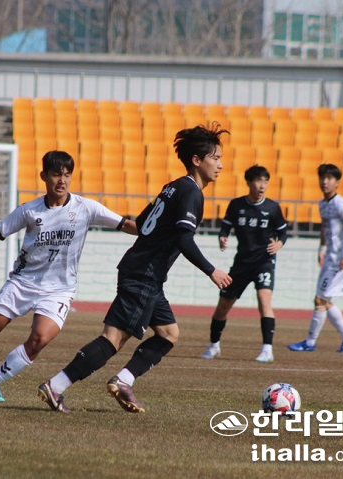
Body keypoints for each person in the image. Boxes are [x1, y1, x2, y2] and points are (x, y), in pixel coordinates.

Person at [38, 125, 233, 414]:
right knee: (113, 339)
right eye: (215, 158)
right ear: (196, 160)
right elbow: (183, 238)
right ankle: (56, 386)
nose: (220, 164)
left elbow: (142, 222)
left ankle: (124, 380)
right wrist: (211, 270)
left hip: (146, 273)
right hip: (145, 273)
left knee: (169, 333)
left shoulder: (172, 187)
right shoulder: (191, 192)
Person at [0, 150, 137, 402]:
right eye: (56, 174)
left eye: (67, 175)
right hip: (23, 282)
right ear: (43, 176)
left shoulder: (86, 208)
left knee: (39, 339)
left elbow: (125, 224)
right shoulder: (30, 210)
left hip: (59, 290)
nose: (62, 181)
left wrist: (155, 232)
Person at [200, 165, 287, 363]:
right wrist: (222, 237)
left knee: (264, 300)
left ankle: (267, 350)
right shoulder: (236, 205)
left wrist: (279, 244)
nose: (262, 186)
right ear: (248, 182)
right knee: (223, 305)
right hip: (241, 264)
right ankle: (213, 345)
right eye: (258, 181)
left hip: (264, 262)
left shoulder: (272, 208)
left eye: (265, 181)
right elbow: (226, 226)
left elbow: (283, 232)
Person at [288, 163, 343, 353]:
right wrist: (322, 248)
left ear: (337, 183)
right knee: (324, 301)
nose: (325, 182)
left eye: (329, 178)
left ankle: (310, 343)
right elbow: (325, 227)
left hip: (339, 262)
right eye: (322, 178)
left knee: (320, 300)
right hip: (329, 259)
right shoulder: (323, 203)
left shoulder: (340, 204)